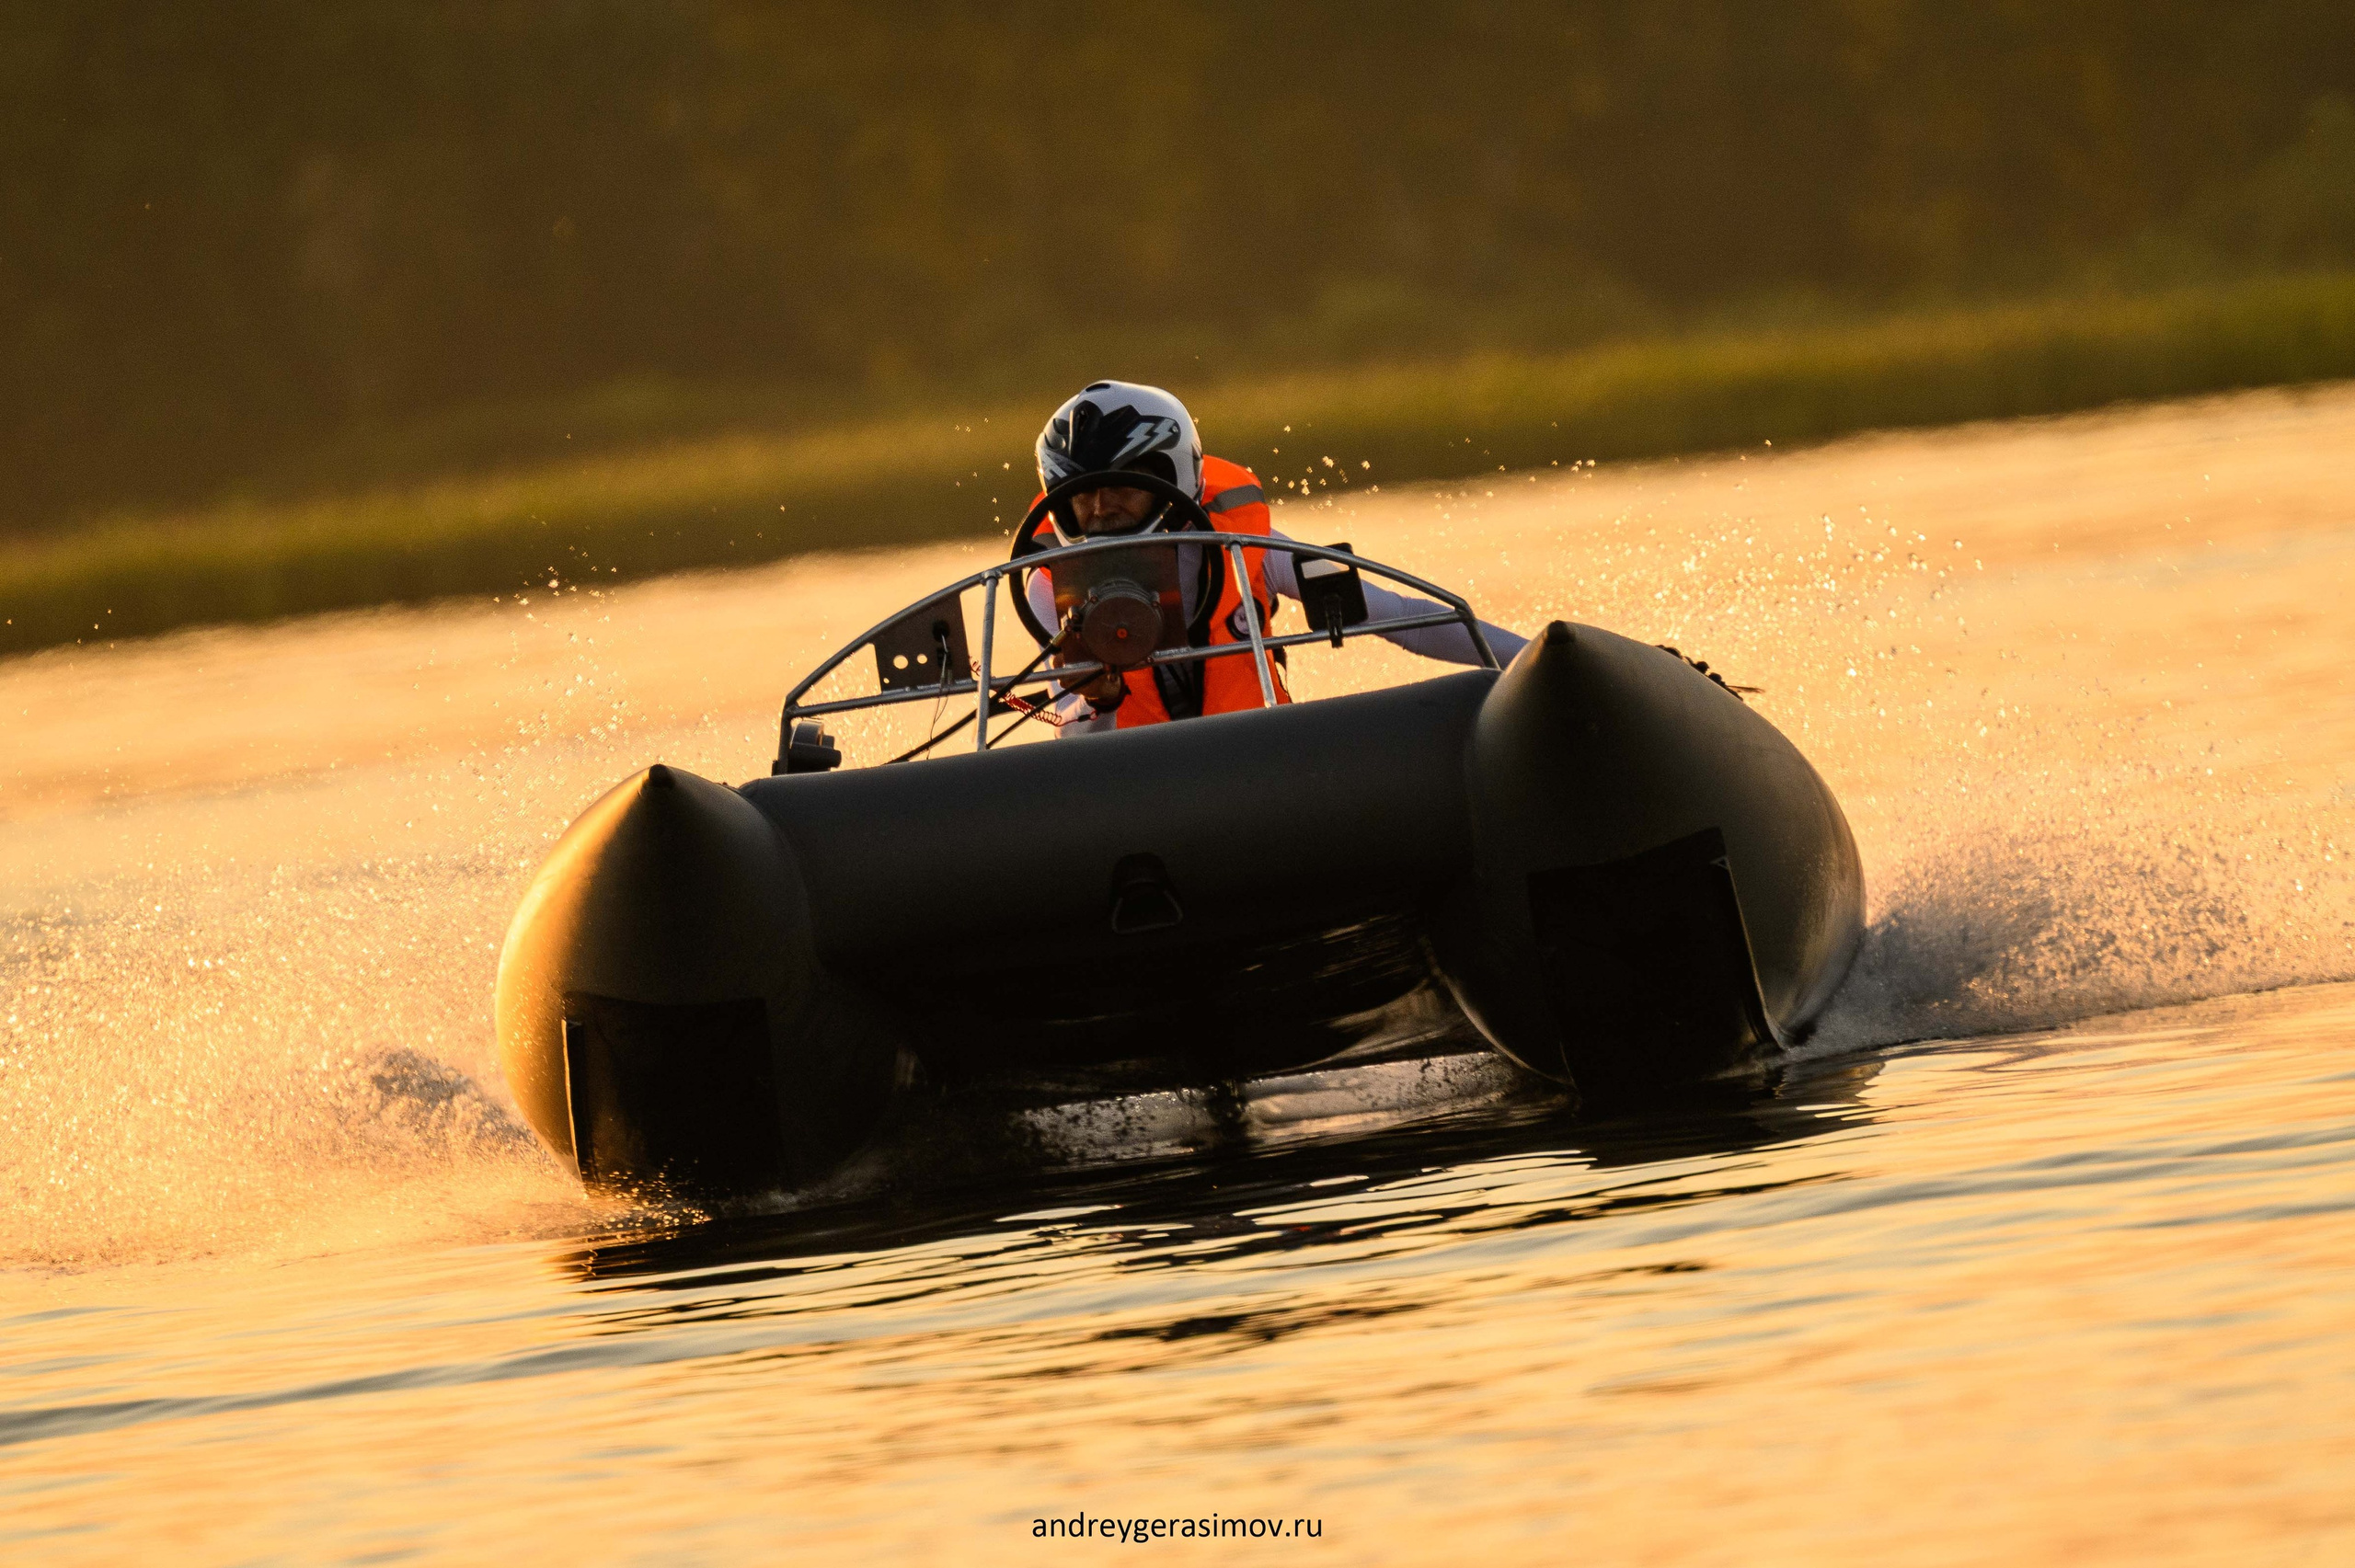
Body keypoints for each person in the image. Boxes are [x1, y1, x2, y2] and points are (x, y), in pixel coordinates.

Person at [1024, 381, 1527, 732]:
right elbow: (1079, 744)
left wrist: (1532, 660)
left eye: (1117, 490)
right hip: (1136, 783)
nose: (1098, 511)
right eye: (1080, 495)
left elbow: (1402, 619)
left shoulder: (1246, 544)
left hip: (1255, 760)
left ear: (1168, 479)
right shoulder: (1049, 587)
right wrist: (1099, 700)